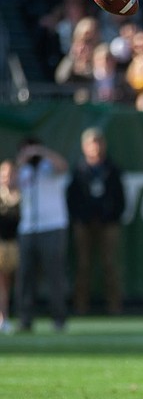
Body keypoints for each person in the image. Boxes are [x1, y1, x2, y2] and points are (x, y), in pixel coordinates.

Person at [66, 128, 126, 315]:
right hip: (84, 224)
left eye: (98, 142)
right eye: (92, 143)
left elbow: (120, 198)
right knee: (83, 266)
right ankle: (80, 307)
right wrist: (80, 217)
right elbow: (72, 198)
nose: (95, 147)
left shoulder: (112, 168)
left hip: (108, 224)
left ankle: (115, 307)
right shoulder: (79, 170)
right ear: (84, 146)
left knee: (110, 265)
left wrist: (111, 216)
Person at [14, 137, 70, 332]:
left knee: (54, 275)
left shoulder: (49, 167)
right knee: (25, 276)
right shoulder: (24, 171)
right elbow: (11, 184)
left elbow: (63, 166)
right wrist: (22, 161)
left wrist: (42, 152)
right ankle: (25, 319)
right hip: (29, 228)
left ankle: (58, 318)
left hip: (53, 226)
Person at [0, 160, 21, 333]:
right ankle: (3, 317)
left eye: (11, 174)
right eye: (5, 174)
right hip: (1, 245)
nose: (8, 178)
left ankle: (20, 317)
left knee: (11, 283)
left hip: (17, 245)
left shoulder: (24, 194)